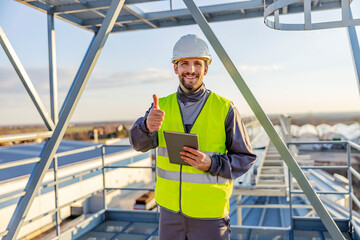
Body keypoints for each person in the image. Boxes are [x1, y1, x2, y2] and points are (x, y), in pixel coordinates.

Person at [130, 34, 256, 240]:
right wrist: (146, 126)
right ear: (175, 68)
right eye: (184, 64)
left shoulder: (225, 109)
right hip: (170, 214)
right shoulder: (160, 107)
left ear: (205, 68)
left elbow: (245, 158)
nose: (191, 70)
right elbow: (137, 144)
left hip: (210, 216)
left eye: (197, 63)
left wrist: (212, 164)